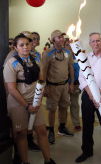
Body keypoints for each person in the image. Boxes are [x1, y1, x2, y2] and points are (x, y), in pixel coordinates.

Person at [3, 33, 56, 164]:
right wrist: (27, 106)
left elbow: (41, 79)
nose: (25, 47)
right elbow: (11, 89)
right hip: (18, 103)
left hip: (35, 102)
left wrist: (38, 98)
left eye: (27, 44)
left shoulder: (36, 60)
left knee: (41, 131)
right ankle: (25, 162)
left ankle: (48, 160)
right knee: (21, 134)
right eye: (21, 45)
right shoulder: (11, 63)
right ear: (15, 47)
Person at [75, 32, 101, 164]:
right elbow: (81, 77)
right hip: (88, 96)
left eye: (98, 41)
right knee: (87, 124)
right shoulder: (85, 57)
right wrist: (91, 93)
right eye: (92, 41)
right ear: (89, 43)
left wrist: (98, 93)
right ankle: (86, 151)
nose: (95, 43)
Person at [42, 30, 74, 144]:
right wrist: (45, 87)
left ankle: (62, 127)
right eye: (59, 37)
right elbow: (44, 71)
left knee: (64, 107)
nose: (62, 39)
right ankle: (51, 130)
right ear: (53, 40)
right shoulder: (47, 54)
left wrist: (71, 83)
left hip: (65, 85)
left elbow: (70, 67)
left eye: (62, 37)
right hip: (52, 86)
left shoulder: (68, 52)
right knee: (52, 109)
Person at [64, 38, 81, 130]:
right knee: (64, 104)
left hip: (76, 84)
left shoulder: (78, 56)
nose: (69, 47)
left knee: (74, 104)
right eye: (67, 45)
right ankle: (63, 124)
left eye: (71, 44)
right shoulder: (62, 57)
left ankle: (76, 123)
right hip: (64, 84)